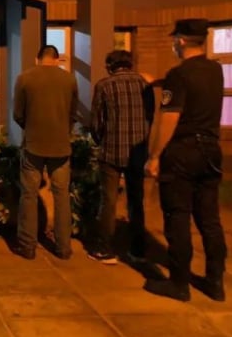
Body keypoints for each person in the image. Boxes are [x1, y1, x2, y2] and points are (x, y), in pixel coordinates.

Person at [144, 18, 228, 302]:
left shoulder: (178, 75)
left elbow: (170, 117)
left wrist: (155, 155)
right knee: (209, 220)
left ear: (180, 40)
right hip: (211, 152)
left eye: (174, 39)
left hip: (182, 153)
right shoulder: (216, 70)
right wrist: (159, 81)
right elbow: (194, 88)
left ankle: (179, 283)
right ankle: (215, 282)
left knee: (177, 216)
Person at [13, 45, 79, 259]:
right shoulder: (69, 79)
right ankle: (63, 248)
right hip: (61, 145)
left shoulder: (25, 78)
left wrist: (30, 127)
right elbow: (72, 112)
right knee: (61, 195)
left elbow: (18, 114)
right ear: (57, 59)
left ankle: (27, 246)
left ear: (37, 58)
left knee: (29, 194)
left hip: (33, 144)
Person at [89, 50, 154, 265]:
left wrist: (99, 140)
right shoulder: (145, 85)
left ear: (110, 66)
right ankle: (138, 249)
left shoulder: (105, 86)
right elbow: (151, 117)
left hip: (112, 152)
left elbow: (97, 121)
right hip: (138, 152)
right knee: (136, 201)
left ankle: (105, 248)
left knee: (108, 201)